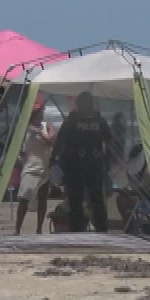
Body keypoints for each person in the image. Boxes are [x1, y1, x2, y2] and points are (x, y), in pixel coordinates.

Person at [52, 92, 115, 232]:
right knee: (96, 200)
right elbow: (110, 143)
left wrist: (53, 161)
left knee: (77, 200)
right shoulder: (99, 121)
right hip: (93, 165)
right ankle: (101, 229)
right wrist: (109, 162)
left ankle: (78, 230)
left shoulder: (72, 121)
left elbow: (59, 142)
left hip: (75, 167)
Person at [14, 99, 58, 234]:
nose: (41, 115)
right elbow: (19, 148)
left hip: (44, 167)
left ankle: (39, 229)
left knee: (42, 198)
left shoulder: (47, 126)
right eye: (38, 113)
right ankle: (17, 229)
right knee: (24, 198)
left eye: (41, 112)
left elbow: (51, 140)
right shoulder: (24, 128)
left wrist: (38, 131)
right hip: (30, 167)